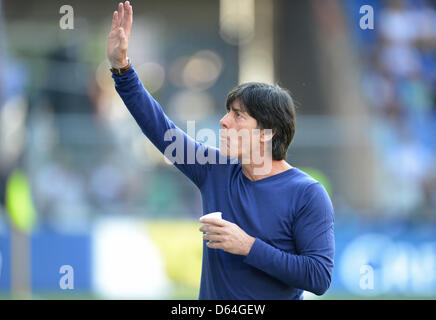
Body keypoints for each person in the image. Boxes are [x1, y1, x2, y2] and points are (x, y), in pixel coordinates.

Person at [107, 1, 335, 299]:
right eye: (228, 112)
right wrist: (121, 68)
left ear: (268, 132)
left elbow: (318, 277)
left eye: (238, 115)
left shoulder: (307, 193)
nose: (224, 122)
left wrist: (248, 246)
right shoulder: (215, 169)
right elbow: (160, 130)